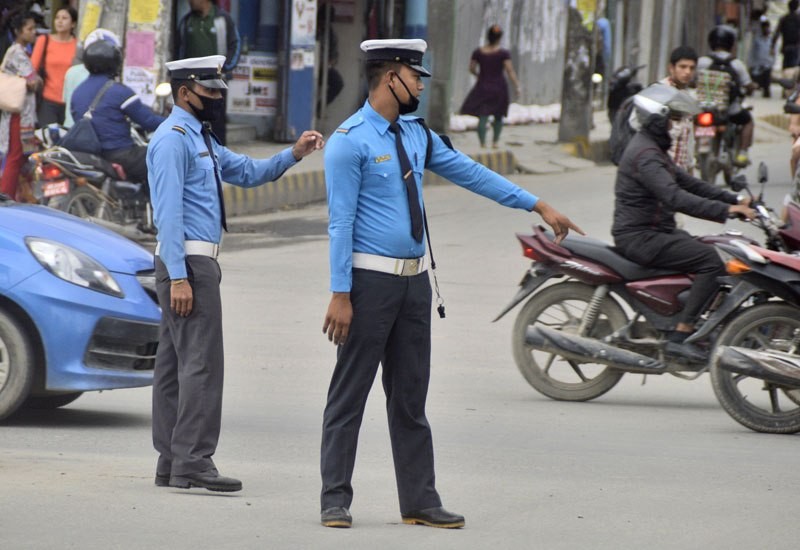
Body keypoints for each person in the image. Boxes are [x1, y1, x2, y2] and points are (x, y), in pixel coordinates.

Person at [319, 38, 582, 529]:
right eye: (414, 75)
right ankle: (335, 498)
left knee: (411, 398)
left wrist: (536, 203)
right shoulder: (350, 141)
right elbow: (340, 223)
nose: (420, 84)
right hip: (368, 284)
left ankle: (419, 499)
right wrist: (340, 293)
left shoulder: (417, 135)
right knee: (349, 395)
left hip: (415, 285)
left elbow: (472, 173)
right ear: (390, 75)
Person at [147, 54, 323, 493]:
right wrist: (181, 276)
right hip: (187, 263)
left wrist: (293, 154)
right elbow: (168, 213)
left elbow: (245, 171)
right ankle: (194, 461)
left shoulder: (198, 137)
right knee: (201, 366)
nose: (216, 98)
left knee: (174, 367)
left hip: (188, 262)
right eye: (209, 91)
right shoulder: (173, 140)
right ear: (185, 91)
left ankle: (172, 461)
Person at [612, 83, 756, 361]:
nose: (677, 126)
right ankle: (681, 333)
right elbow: (675, 197)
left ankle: (686, 316)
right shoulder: (646, 156)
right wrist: (727, 210)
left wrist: (735, 198)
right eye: (674, 120)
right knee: (711, 261)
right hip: (641, 237)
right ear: (657, 120)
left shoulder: (652, 150)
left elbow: (690, 183)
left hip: (656, 231)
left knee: (711, 246)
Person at [70, 29, 165, 184]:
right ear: (115, 63)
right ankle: (157, 205)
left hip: (89, 154)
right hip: (119, 153)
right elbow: (147, 120)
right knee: (163, 155)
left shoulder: (77, 92)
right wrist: (174, 122)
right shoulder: (119, 91)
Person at [173, 0, 240, 145]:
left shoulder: (223, 19)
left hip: (215, 82)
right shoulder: (187, 22)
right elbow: (178, 50)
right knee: (192, 117)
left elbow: (235, 46)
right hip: (192, 83)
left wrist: (226, 67)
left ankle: (219, 157)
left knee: (217, 122)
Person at [697, 25, 756, 166]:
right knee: (748, 121)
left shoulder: (702, 62)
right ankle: (742, 153)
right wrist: (751, 87)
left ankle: (695, 152)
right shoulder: (737, 64)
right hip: (729, 109)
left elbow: (693, 81)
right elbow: (748, 85)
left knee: (693, 120)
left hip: (704, 107)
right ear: (731, 43)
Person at [459, 25, 521, 148]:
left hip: (483, 87)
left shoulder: (478, 52)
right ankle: (495, 142)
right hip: (499, 88)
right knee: (498, 115)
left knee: (483, 115)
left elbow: (471, 68)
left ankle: (482, 144)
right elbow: (510, 71)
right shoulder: (503, 53)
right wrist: (517, 86)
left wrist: (478, 75)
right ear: (499, 38)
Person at [0, 11, 40, 200]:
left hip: (22, 114)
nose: (34, 32)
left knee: (22, 156)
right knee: (16, 156)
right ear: (18, 31)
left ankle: (20, 196)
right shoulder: (17, 53)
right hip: (19, 114)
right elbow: (32, 81)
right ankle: (5, 197)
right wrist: (37, 79)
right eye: (30, 29)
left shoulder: (19, 51)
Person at [31, 6, 77, 126]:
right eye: (57, 18)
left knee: (67, 142)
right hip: (48, 100)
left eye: (64, 18)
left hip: (71, 102)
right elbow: (32, 68)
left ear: (73, 24)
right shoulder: (44, 40)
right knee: (48, 140)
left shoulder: (77, 46)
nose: (59, 21)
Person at [660, 46, 698, 173]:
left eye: (691, 68)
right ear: (671, 68)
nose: (687, 72)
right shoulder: (658, 93)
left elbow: (689, 138)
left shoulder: (689, 98)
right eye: (682, 67)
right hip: (659, 172)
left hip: (679, 174)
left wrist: (690, 168)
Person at [772, 0, 800, 74]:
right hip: (796, 47)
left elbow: (776, 33)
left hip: (786, 47)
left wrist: (772, 46)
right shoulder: (798, 18)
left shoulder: (784, 18)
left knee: (786, 70)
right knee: (795, 70)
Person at [749, 16, 774, 98]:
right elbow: (752, 52)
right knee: (755, 81)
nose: (766, 30)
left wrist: (771, 63)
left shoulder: (771, 40)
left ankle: (766, 93)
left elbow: (774, 53)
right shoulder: (757, 39)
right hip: (757, 64)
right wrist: (751, 64)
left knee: (766, 83)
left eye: (767, 28)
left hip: (767, 64)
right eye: (764, 28)